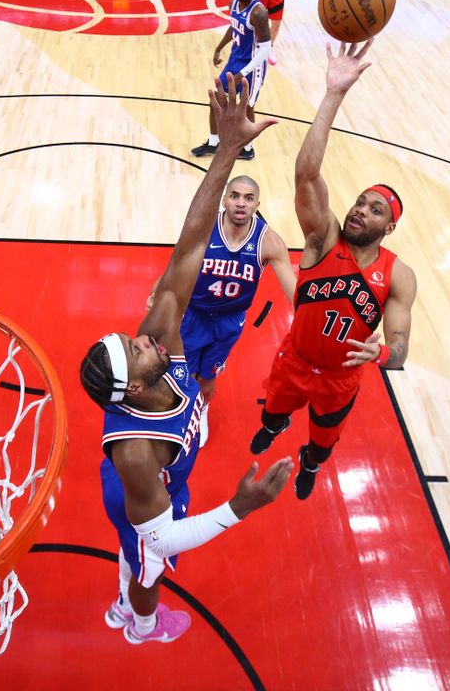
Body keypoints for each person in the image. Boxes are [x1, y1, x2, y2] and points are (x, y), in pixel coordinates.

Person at [80, 76, 294, 646]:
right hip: (147, 497)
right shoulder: (134, 454)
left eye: (135, 338)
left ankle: (126, 598)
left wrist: (227, 150)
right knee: (148, 563)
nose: (145, 336)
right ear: (136, 385)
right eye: (138, 348)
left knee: (141, 555)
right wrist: (237, 508)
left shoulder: (157, 351)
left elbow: (188, 248)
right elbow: (166, 540)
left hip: (169, 473)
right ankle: (140, 623)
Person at [248, 40, 417, 502]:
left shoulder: (398, 277)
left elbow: (400, 349)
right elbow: (306, 174)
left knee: (322, 444)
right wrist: (333, 94)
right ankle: (275, 425)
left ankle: (309, 463)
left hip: (341, 379)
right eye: (361, 202)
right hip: (295, 361)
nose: (362, 210)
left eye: (375, 209)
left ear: (390, 226)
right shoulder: (324, 239)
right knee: (271, 414)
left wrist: (383, 355)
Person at [147, 175, 297, 447]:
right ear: (225, 199)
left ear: (257, 204)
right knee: (180, 373)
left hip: (229, 323)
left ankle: (201, 410)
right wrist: (158, 290)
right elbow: (177, 261)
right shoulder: (203, 228)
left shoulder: (269, 242)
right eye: (235, 196)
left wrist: (311, 317)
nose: (241, 203)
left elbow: (296, 293)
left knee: (207, 377)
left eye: (248, 198)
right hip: (194, 315)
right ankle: (178, 413)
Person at [190, 0, 271, 161]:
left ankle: (248, 148)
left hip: (253, 65)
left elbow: (266, 50)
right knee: (216, 100)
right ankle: (213, 142)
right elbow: (234, 26)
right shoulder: (233, 2)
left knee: (247, 106)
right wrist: (219, 48)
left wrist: (242, 73)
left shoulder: (259, 12)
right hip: (235, 60)